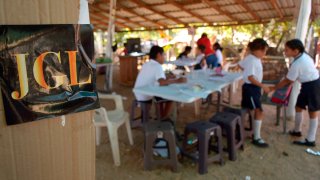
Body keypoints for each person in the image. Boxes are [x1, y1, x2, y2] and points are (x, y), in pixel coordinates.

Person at [272, 39, 320, 147]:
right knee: (299, 107)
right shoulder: (303, 55)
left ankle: (310, 140)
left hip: (313, 85)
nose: (285, 52)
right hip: (307, 84)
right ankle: (297, 130)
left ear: (296, 51)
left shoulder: (298, 63)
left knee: (313, 112)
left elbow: (288, 80)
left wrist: (273, 88)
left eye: (287, 50)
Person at [134, 45, 187, 118]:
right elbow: (161, 82)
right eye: (163, 55)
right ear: (159, 55)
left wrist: (168, 77)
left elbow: (154, 77)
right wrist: (177, 81)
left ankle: (159, 115)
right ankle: (163, 117)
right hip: (145, 95)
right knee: (170, 97)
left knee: (160, 96)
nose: (164, 57)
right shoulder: (157, 66)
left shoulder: (147, 64)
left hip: (138, 93)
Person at [238, 38, 270, 148]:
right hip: (251, 88)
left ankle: (247, 131)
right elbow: (250, 77)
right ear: (256, 50)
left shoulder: (252, 58)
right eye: (263, 51)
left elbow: (241, 65)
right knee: (259, 110)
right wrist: (263, 86)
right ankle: (256, 137)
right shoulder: (252, 59)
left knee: (251, 109)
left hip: (253, 88)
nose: (264, 53)